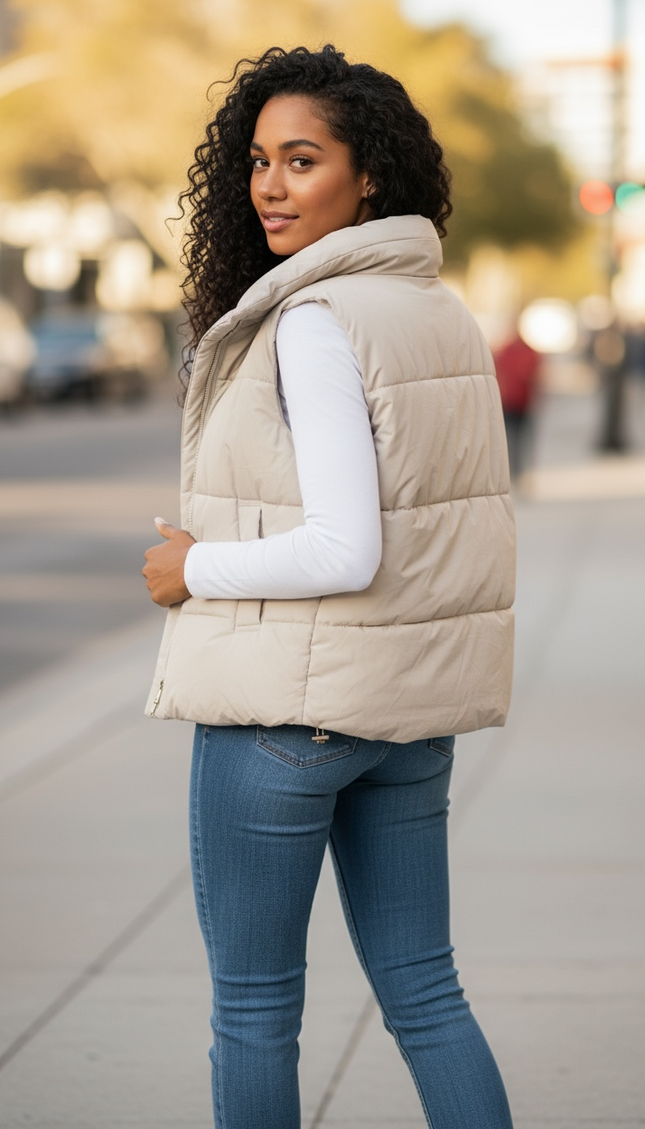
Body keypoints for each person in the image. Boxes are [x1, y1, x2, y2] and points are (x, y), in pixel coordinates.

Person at [142, 44, 516, 1129]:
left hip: (282, 722)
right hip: (404, 715)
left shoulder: (311, 320)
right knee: (427, 991)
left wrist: (189, 568)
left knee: (255, 1010)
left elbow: (344, 546)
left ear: (369, 176)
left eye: (301, 160)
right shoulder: (438, 312)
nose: (268, 185)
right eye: (258, 160)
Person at [493, 331, 541, 479]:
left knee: (516, 439)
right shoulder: (522, 352)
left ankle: (517, 470)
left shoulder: (512, 352)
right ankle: (516, 470)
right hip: (514, 401)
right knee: (514, 439)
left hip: (518, 402)